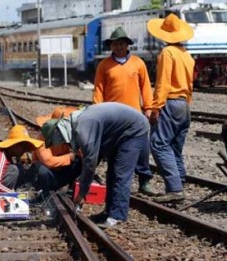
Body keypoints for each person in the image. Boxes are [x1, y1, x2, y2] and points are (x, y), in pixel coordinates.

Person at [41, 102, 150, 227]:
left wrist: (82, 193)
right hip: (119, 131)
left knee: (120, 173)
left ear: (58, 133)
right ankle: (109, 211)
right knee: (112, 173)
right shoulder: (77, 122)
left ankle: (117, 216)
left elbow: (90, 164)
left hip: (134, 130)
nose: (58, 144)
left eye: (55, 141)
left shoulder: (83, 130)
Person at [93, 26, 154, 196]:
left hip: (135, 114)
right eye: (115, 44)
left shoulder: (138, 63)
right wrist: (98, 111)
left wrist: (148, 108)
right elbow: (98, 89)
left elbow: (146, 87)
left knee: (142, 149)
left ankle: (144, 181)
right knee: (114, 149)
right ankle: (113, 180)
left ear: (127, 45)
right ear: (111, 46)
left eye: (121, 43)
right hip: (113, 116)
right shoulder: (104, 65)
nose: (118, 47)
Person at [147, 13, 195, 203]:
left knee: (158, 144)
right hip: (184, 103)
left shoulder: (167, 53)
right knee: (175, 146)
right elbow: (190, 84)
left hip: (171, 102)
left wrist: (156, 107)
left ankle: (175, 189)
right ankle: (179, 182)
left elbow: (163, 83)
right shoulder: (186, 55)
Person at [32, 106, 82, 198]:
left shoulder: (68, 136)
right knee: (42, 170)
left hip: (59, 174)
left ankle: (72, 190)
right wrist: (69, 157)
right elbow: (48, 161)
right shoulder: (42, 138)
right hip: (45, 176)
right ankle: (43, 194)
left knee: (79, 161)